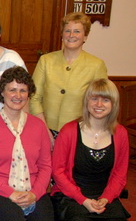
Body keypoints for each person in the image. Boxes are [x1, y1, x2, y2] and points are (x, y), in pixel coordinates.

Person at [0, 66, 55, 221]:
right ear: (2, 92)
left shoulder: (38, 126)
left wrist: (35, 193)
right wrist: (11, 193)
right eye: (12, 90)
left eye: (23, 90)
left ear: (28, 94)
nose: (17, 96)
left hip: (33, 189)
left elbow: (46, 166)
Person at [51, 78, 131, 221]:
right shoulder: (69, 131)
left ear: (113, 104)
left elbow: (120, 175)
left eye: (105, 100)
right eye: (94, 98)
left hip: (105, 198)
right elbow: (58, 172)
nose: (99, 105)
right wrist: (83, 200)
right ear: (86, 101)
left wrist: (106, 198)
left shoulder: (121, 133)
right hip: (72, 197)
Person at [30, 12, 107, 140]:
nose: (71, 35)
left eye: (77, 31)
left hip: (80, 132)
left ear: (85, 36)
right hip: (44, 129)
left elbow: (100, 103)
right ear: (62, 35)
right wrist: (44, 131)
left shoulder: (97, 65)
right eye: (67, 31)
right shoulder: (46, 60)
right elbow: (34, 97)